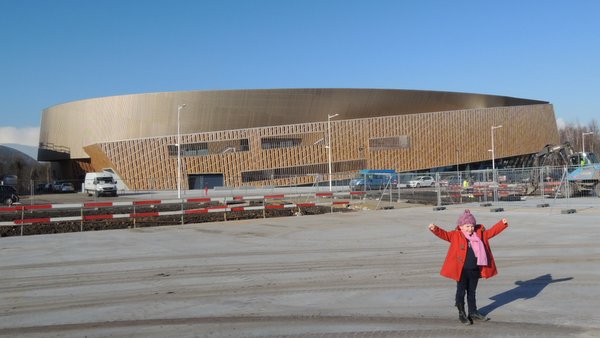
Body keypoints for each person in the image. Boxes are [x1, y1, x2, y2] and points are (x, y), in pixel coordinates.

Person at [428, 210, 508, 325]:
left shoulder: (479, 234)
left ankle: (473, 312)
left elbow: (491, 232)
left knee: (472, 292)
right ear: (461, 226)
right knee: (461, 292)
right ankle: (462, 313)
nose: (470, 228)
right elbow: (444, 234)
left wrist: (502, 224)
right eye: (467, 226)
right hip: (461, 271)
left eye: (471, 226)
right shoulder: (456, 235)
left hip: (475, 269)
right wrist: (435, 229)